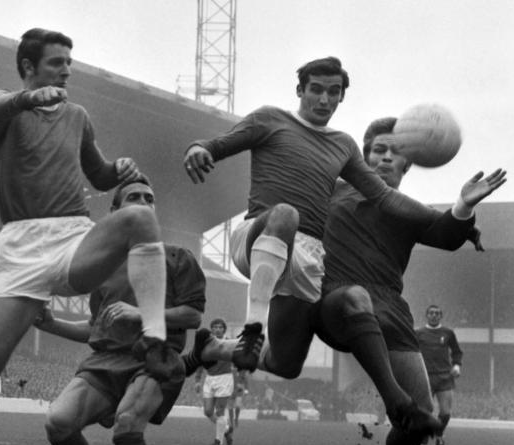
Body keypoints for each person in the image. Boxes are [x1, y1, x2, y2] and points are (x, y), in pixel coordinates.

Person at [0, 28, 185, 445]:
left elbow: (99, 175)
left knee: (141, 220)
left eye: (69, 61)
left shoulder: (78, 115)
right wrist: (29, 99)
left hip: (71, 236)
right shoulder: (5, 110)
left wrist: (119, 171)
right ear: (29, 68)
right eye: (55, 62)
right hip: (20, 248)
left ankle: (154, 337)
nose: (66, 69)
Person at [182, 56, 457, 420]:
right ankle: (252, 330)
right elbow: (217, 144)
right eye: (316, 90)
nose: (324, 99)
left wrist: (457, 219)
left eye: (333, 92)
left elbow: (386, 197)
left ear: (341, 98)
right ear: (300, 90)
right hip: (260, 234)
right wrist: (198, 148)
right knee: (286, 215)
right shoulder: (270, 119)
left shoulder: (343, 146)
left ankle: (213, 347)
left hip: (307, 259)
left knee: (286, 363)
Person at [314, 116, 506, 445]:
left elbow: (445, 234)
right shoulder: (332, 192)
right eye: (378, 150)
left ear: (407, 165)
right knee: (354, 300)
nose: (385, 156)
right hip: (336, 298)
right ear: (364, 158)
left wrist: (464, 206)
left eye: (395, 152)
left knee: (424, 418)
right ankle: (391, 400)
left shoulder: (406, 210)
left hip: (390, 310)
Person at [37, 176, 214, 445]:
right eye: (133, 197)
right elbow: (96, 327)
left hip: (153, 358)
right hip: (104, 361)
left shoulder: (178, 258)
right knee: (57, 422)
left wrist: (142, 312)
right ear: (115, 213)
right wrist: (50, 324)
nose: (143, 201)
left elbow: (193, 316)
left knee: (128, 423)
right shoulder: (103, 268)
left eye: (149, 198)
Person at [415, 305, 464, 445]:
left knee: (445, 414)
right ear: (426, 315)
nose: (434, 316)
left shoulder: (448, 333)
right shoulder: (418, 333)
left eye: (437, 313)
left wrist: (456, 365)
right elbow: (411, 351)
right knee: (425, 415)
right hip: (425, 378)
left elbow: (457, 352)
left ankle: (439, 432)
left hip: (444, 377)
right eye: (431, 313)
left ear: (441, 316)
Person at [196, 318, 235, 445]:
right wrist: (197, 380)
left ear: (224, 329)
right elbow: (201, 363)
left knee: (220, 411)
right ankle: (227, 429)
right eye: (215, 327)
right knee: (207, 411)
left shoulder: (230, 342)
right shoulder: (206, 344)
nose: (218, 329)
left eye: (220, 327)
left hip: (224, 379)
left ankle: (218, 441)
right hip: (209, 379)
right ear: (211, 329)